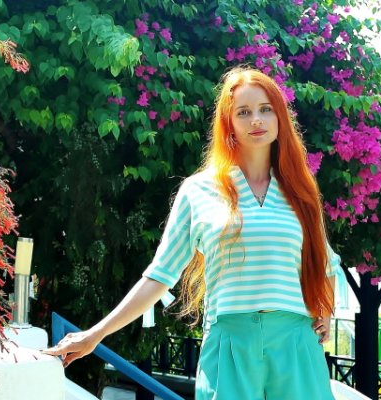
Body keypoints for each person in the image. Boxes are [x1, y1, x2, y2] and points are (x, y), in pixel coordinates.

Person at [44, 67, 341, 400]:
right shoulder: (199, 190)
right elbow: (159, 276)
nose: (256, 119)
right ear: (229, 123)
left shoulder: (300, 191)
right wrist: (94, 335)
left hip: (295, 343)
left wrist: (326, 311)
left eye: (265, 109)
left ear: (279, 117)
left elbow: (326, 262)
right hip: (229, 344)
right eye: (243, 112)